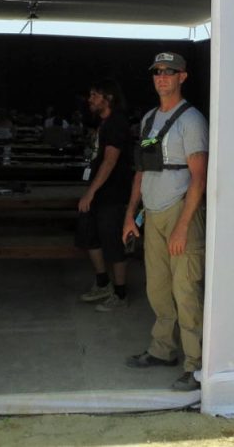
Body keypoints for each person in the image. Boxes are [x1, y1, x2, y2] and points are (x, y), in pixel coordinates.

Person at [122, 51, 208, 392]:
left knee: (185, 290)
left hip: (179, 211)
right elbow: (141, 171)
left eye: (169, 71)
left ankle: (195, 365)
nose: (162, 77)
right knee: (157, 288)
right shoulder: (149, 118)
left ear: (182, 77)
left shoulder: (192, 121)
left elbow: (199, 178)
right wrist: (131, 215)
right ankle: (162, 350)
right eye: (157, 71)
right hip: (153, 212)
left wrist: (184, 226)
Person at [76, 79, 134, 312]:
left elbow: (110, 161)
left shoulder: (117, 122)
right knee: (89, 236)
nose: (90, 99)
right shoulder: (104, 124)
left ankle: (120, 294)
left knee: (114, 244)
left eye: (94, 95)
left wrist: (90, 192)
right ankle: (103, 284)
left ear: (108, 98)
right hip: (99, 193)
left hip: (113, 194)